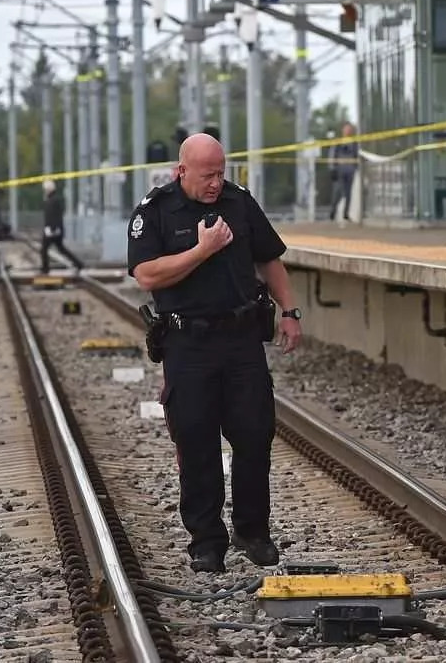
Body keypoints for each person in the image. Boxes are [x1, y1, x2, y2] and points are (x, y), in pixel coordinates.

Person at [126, 133, 303, 572]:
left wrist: (290, 310)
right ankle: (206, 542)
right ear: (181, 171)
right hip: (188, 344)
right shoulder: (156, 212)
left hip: (241, 338)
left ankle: (252, 531)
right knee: (196, 439)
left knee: (254, 436)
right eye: (208, 175)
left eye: (221, 173)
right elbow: (147, 274)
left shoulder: (238, 202)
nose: (215, 184)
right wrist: (201, 251)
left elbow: (269, 259)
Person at [40, 180, 84, 274]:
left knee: (44, 249)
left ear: (48, 189)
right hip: (54, 229)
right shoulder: (53, 200)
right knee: (61, 249)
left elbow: (53, 216)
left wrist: (51, 228)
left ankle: (45, 269)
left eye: (45, 189)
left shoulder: (52, 201)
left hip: (52, 230)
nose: (44, 191)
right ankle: (78, 264)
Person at [328, 122, 359, 222]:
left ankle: (346, 213)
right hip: (339, 170)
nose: (348, 131)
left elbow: (356, 155)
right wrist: (332, 168)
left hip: (350, 171)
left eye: (350, 129)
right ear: (343, 130)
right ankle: (332, 212)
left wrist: (356, 167)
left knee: (348, 193)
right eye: (346, 129)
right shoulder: (338, 142)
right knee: (338, 192)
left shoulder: (354, 143)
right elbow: (332, 155)